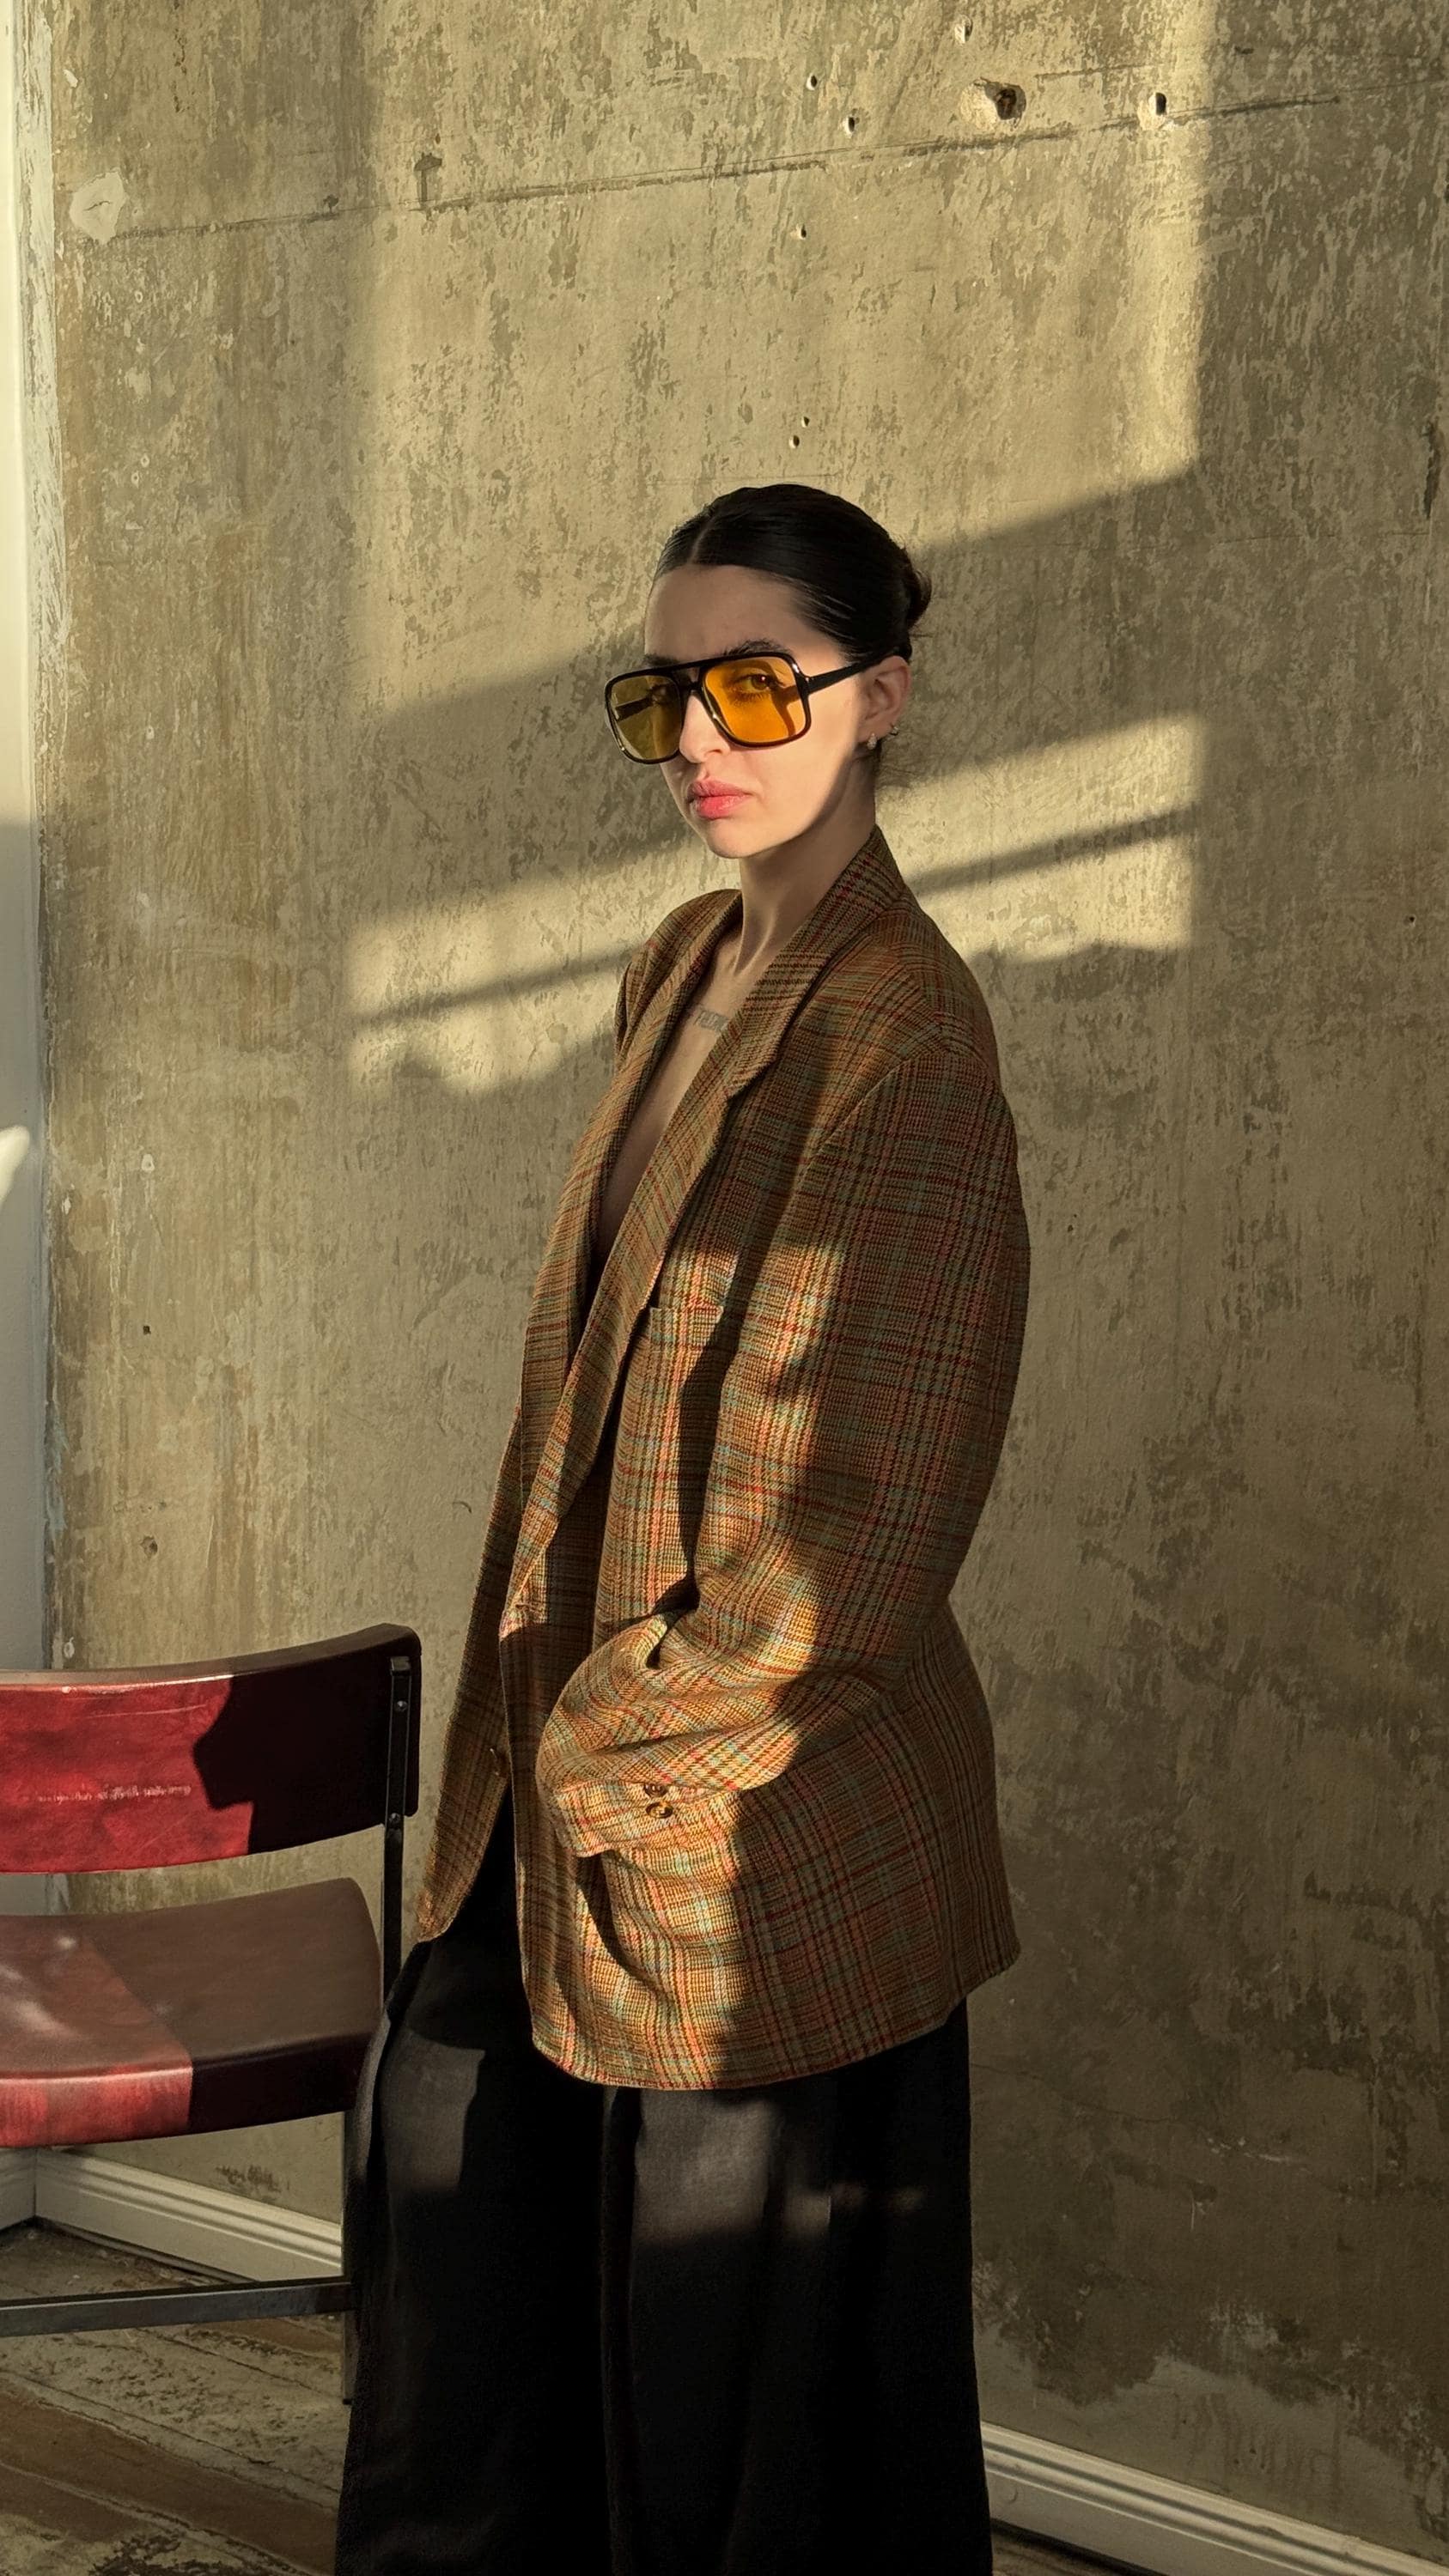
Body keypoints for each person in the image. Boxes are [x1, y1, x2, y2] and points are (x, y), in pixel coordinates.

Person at [334, 483, 1031, 2575]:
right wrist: (540, 1764)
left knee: (738, 2417)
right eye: (670, 697)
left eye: (760, 685)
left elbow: (872, 1508)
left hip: (753, 1819)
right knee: (489, 2319)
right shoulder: (683, 963)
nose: (707, 740)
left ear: (876, 694)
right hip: (551, 1777)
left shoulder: (901, 1033)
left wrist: (619, 1758)